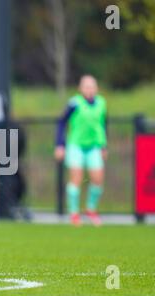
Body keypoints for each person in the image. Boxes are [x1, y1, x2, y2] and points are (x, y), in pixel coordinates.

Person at [54, 75, 107, 226]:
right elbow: (61, 123)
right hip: (76, 145)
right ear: (80, 88)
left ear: (96, 88)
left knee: (97, 179)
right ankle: (74, 213)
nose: (89, 89)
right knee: (76, 178)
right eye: (86, 86)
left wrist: (104, 146)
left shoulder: (102, 103)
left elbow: (102, 125)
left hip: (94, 146)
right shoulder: (74, 103)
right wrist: (60, 145)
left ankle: (91, 209)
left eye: (92, 86)